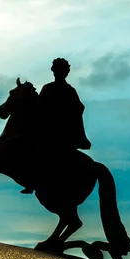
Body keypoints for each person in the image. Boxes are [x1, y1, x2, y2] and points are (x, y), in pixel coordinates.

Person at [18, 58, 91, 194]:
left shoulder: (49, 88)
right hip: (67, 136)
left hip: (53, 134)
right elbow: (79, 108)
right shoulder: (70, 90)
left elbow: (38, 109)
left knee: (33, 150)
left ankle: (31, 182)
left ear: (54, 71)